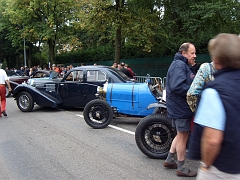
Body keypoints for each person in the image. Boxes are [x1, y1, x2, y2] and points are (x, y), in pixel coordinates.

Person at [189, 33, 240, 179]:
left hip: (223, 168)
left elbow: (212, 141)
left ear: (216, 60)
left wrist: (206, 166)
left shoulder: (214, 91)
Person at [163, 42, 197, 177]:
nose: (195, 56)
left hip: (178, 107)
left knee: (181, 134)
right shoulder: (179, 65)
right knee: (183, 136)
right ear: (184, 53)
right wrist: (194, 92)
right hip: (180, 107)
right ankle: (182, 167)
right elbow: (178, 86)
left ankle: (170, 159)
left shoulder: (182, 65)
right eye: (192, 53)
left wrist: (192, 70)